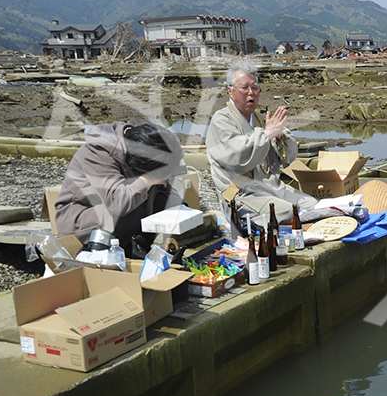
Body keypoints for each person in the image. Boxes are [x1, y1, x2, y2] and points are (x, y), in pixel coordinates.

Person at [206, 59, 318, 230]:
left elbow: (286, 159)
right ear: (230, 91)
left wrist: (281, 136)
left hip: (270, 187)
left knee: (313, 204)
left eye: (255, 88)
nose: (251, 93)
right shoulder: (221, 120)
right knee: (287, 211)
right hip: (241, 193)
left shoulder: (260, 119)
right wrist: (266, 134)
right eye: (244, 88)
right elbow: (236, 156)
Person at [54, 120, 186, 256]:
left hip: (115, 207)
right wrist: (149, 179)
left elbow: (163, 187)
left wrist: (182, 210)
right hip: (82, 216)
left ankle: (136, 248)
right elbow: (117, 202)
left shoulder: (144, 145)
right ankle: (123, 253)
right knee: (133, 209)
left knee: (161, 201)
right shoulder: (99, 152)